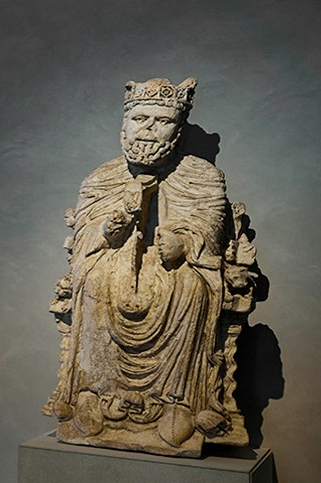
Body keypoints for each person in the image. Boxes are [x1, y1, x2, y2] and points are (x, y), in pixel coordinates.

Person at [45, 77, 257, 457]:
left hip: (173, 267)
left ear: (177, 129)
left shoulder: (202, 176)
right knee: (95, 278)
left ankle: (179, 399)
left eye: (161, 121)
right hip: (115, 263)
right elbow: (84, 237)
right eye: (140, 118)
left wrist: (183, 242)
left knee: (190, 286)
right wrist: (108, 229)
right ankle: (92, 392)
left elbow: (210, 229)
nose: (148, 129)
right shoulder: (102, 177)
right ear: (124, 124)